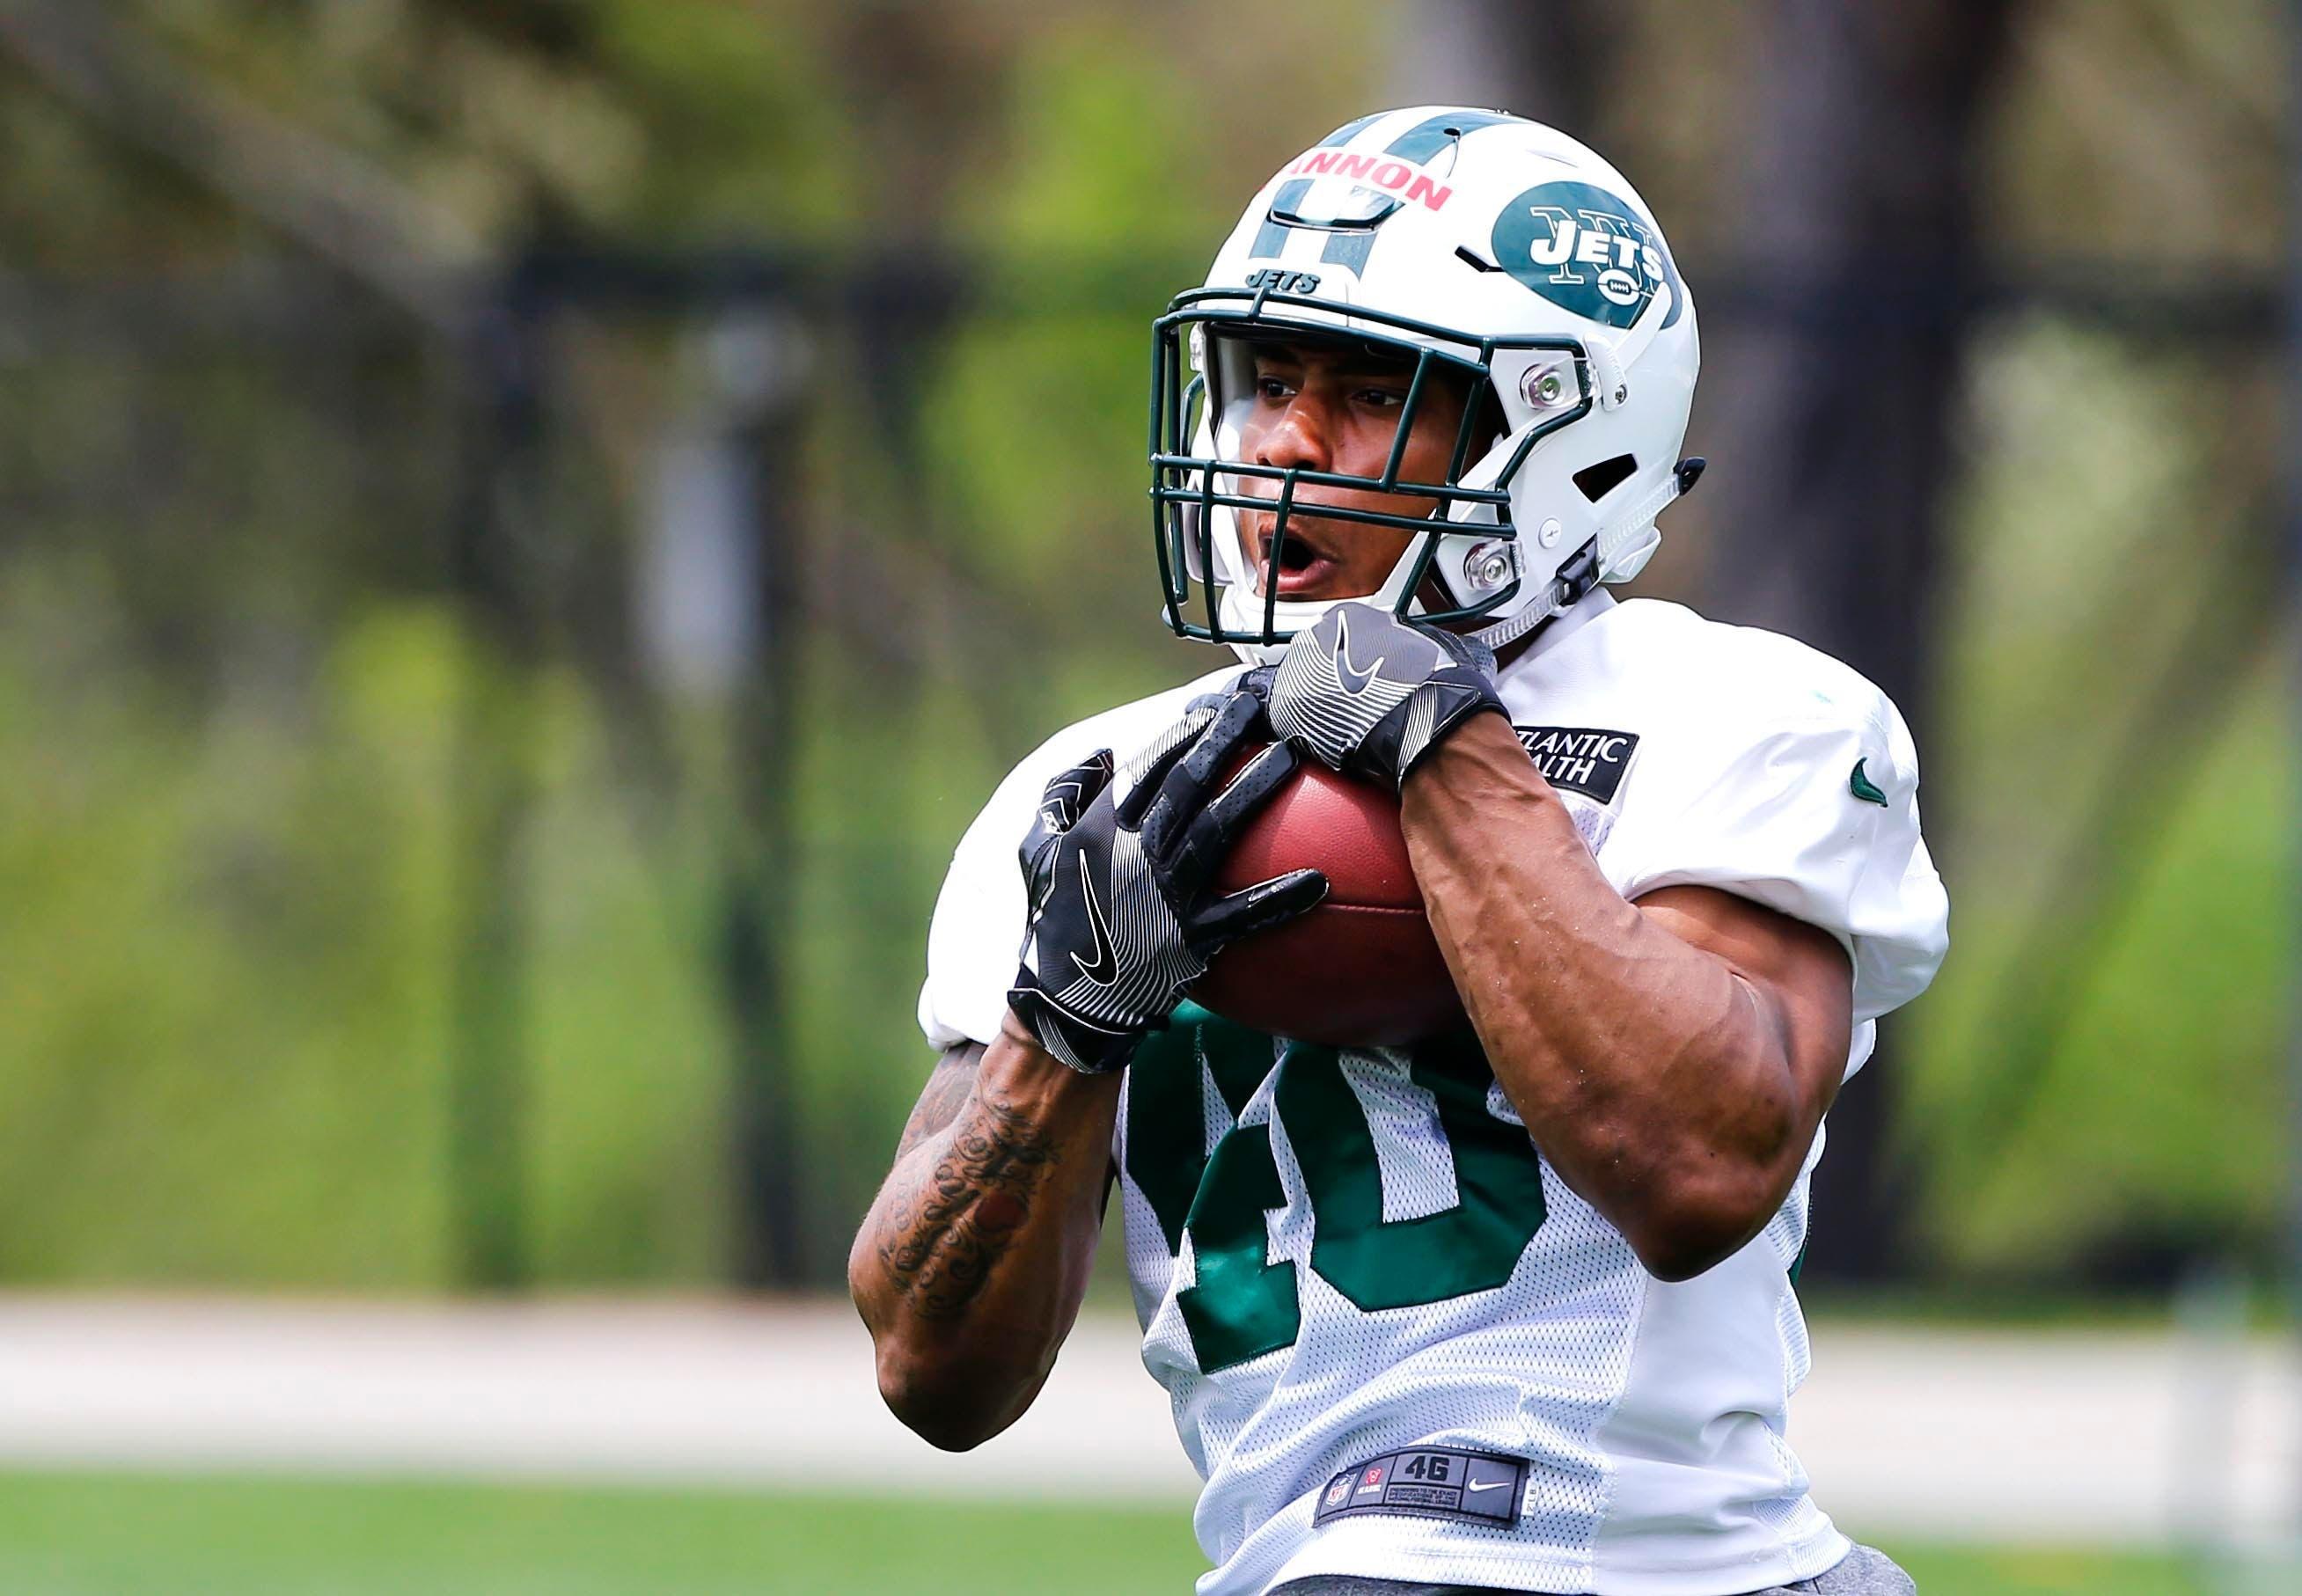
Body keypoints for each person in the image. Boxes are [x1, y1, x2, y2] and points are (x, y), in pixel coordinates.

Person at [849, 107, 1947, 1596]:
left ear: (1557, 432)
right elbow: (933, 1369)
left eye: (1369, 390)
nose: (1285, 440)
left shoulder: (1740, 716)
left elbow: (1700, 1165)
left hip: (1684, 1573)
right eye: (1269, 381)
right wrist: (1063, 1030)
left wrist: (1448, 748)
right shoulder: (1094, 787)